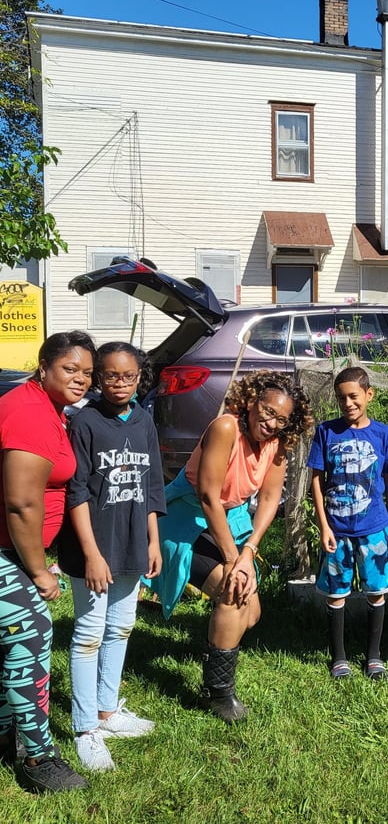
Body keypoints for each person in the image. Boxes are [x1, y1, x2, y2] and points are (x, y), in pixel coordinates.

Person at [148, 370, 313, 722]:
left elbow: (269, 500)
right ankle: (218, 692)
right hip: (187, 516)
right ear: (252, 402)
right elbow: (207, 495)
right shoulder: (226, 427)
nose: (270, 423)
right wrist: (232, 559)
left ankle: (215, 647)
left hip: (230, 520)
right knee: (233, 592)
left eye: (281, 419)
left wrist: (249, 550)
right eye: (267, 411)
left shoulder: (278, 442)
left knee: (250, 615)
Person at [57, 343, 165, 772]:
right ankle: (85, 729)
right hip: (93, 550)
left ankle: (107, 709)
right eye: (111, 376)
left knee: (120, 628)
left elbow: (153, 482)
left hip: (133, 543)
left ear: (141, 377)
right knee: (88, 634)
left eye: (128, 376)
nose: (120, 383)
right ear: (98, 378)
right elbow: (75, 490)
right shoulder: (85, 421)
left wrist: (153, 541)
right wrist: (91, 555)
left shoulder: (143, 420)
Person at [0, 331, 95, 793]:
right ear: (44, 366)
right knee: (31, 635)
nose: (81, 379)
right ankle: (37, 758)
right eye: (70, 369)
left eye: (87, 373)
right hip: (7, 552)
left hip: (14, 551)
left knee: (13, 640)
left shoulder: (48, 409)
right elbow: (21, 504)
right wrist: (39, 571)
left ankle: (5, 734)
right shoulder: (29, 411)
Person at [308, 366, 388, 681]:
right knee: (336, 593)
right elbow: (316, 479)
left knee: (376, 590)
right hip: (337, 530)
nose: (348, 403)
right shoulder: (326, 432)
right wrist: (324, 525)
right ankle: (339, 657)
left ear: (368, 395)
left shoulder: (384, 434)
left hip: (373, 528)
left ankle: (374, 656)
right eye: (341, 397)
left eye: (354, 396)